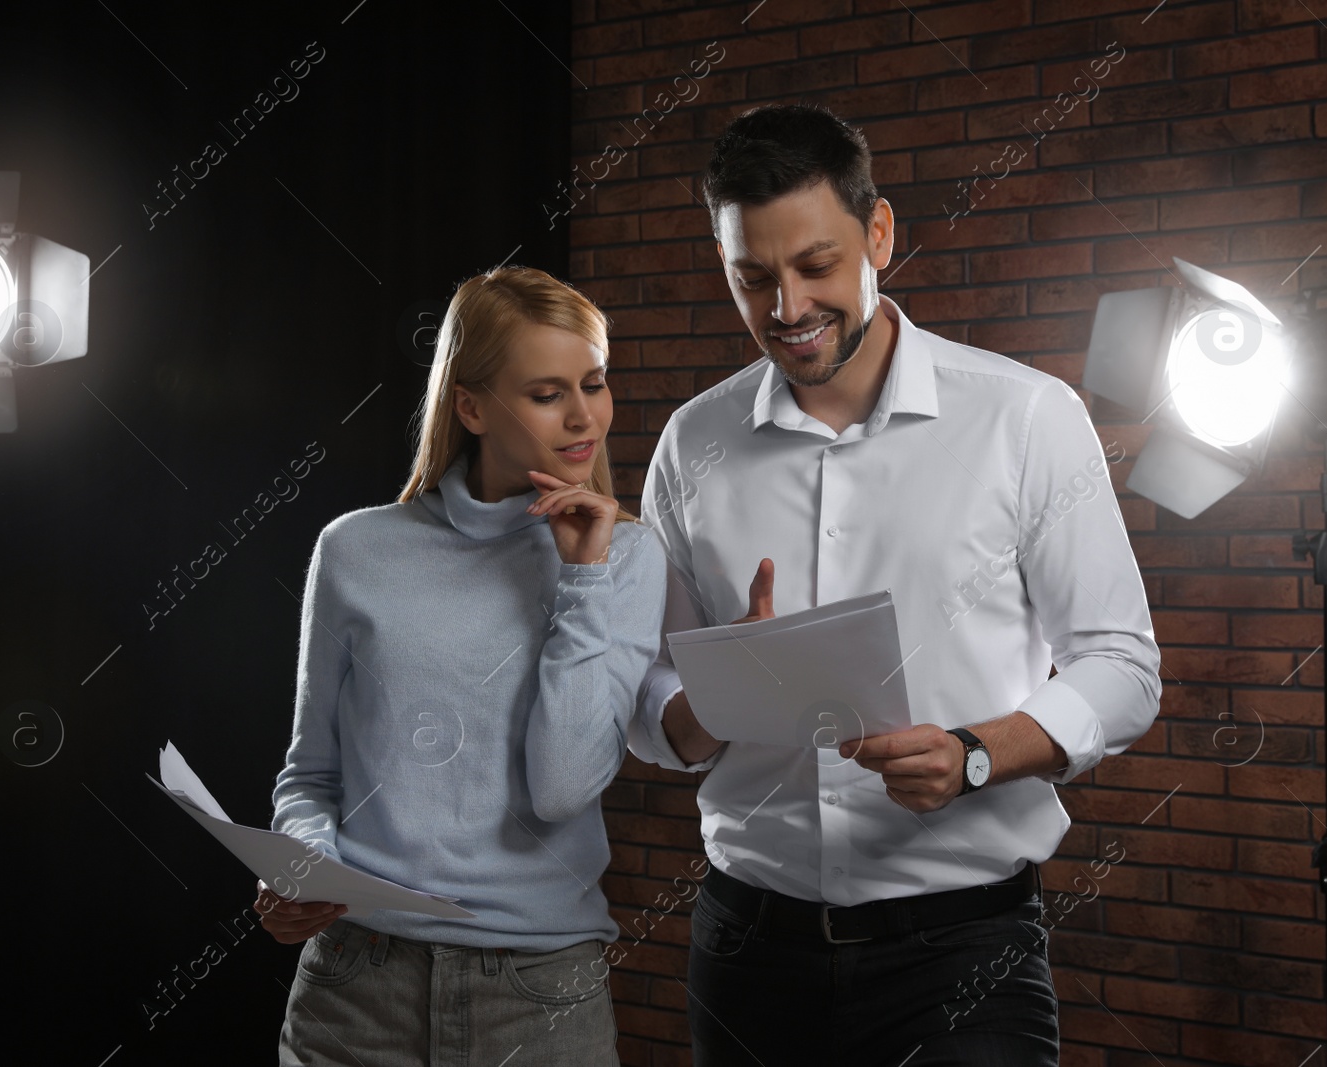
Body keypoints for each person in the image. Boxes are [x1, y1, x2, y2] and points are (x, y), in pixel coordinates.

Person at [628, 104, 1162, 1066]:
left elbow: (1121, 666)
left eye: (816, 265)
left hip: (963, 956)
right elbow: (652, 695)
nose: (786, 308)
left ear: (879, 234)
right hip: (748, 955)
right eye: (753, 277)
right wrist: (716, 692)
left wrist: (975, 753)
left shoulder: (1027, 419)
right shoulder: (690, 445)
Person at [257, 265, 667, 1067]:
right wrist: (303, 864)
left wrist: (582, 578)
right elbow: (309, 776)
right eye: (548, 393)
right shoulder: (355, 549)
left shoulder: (628, 556)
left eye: (595, 382)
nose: (585, 416)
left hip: (540, 996)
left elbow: (561, 787)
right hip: (354, 987)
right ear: (471, 406)